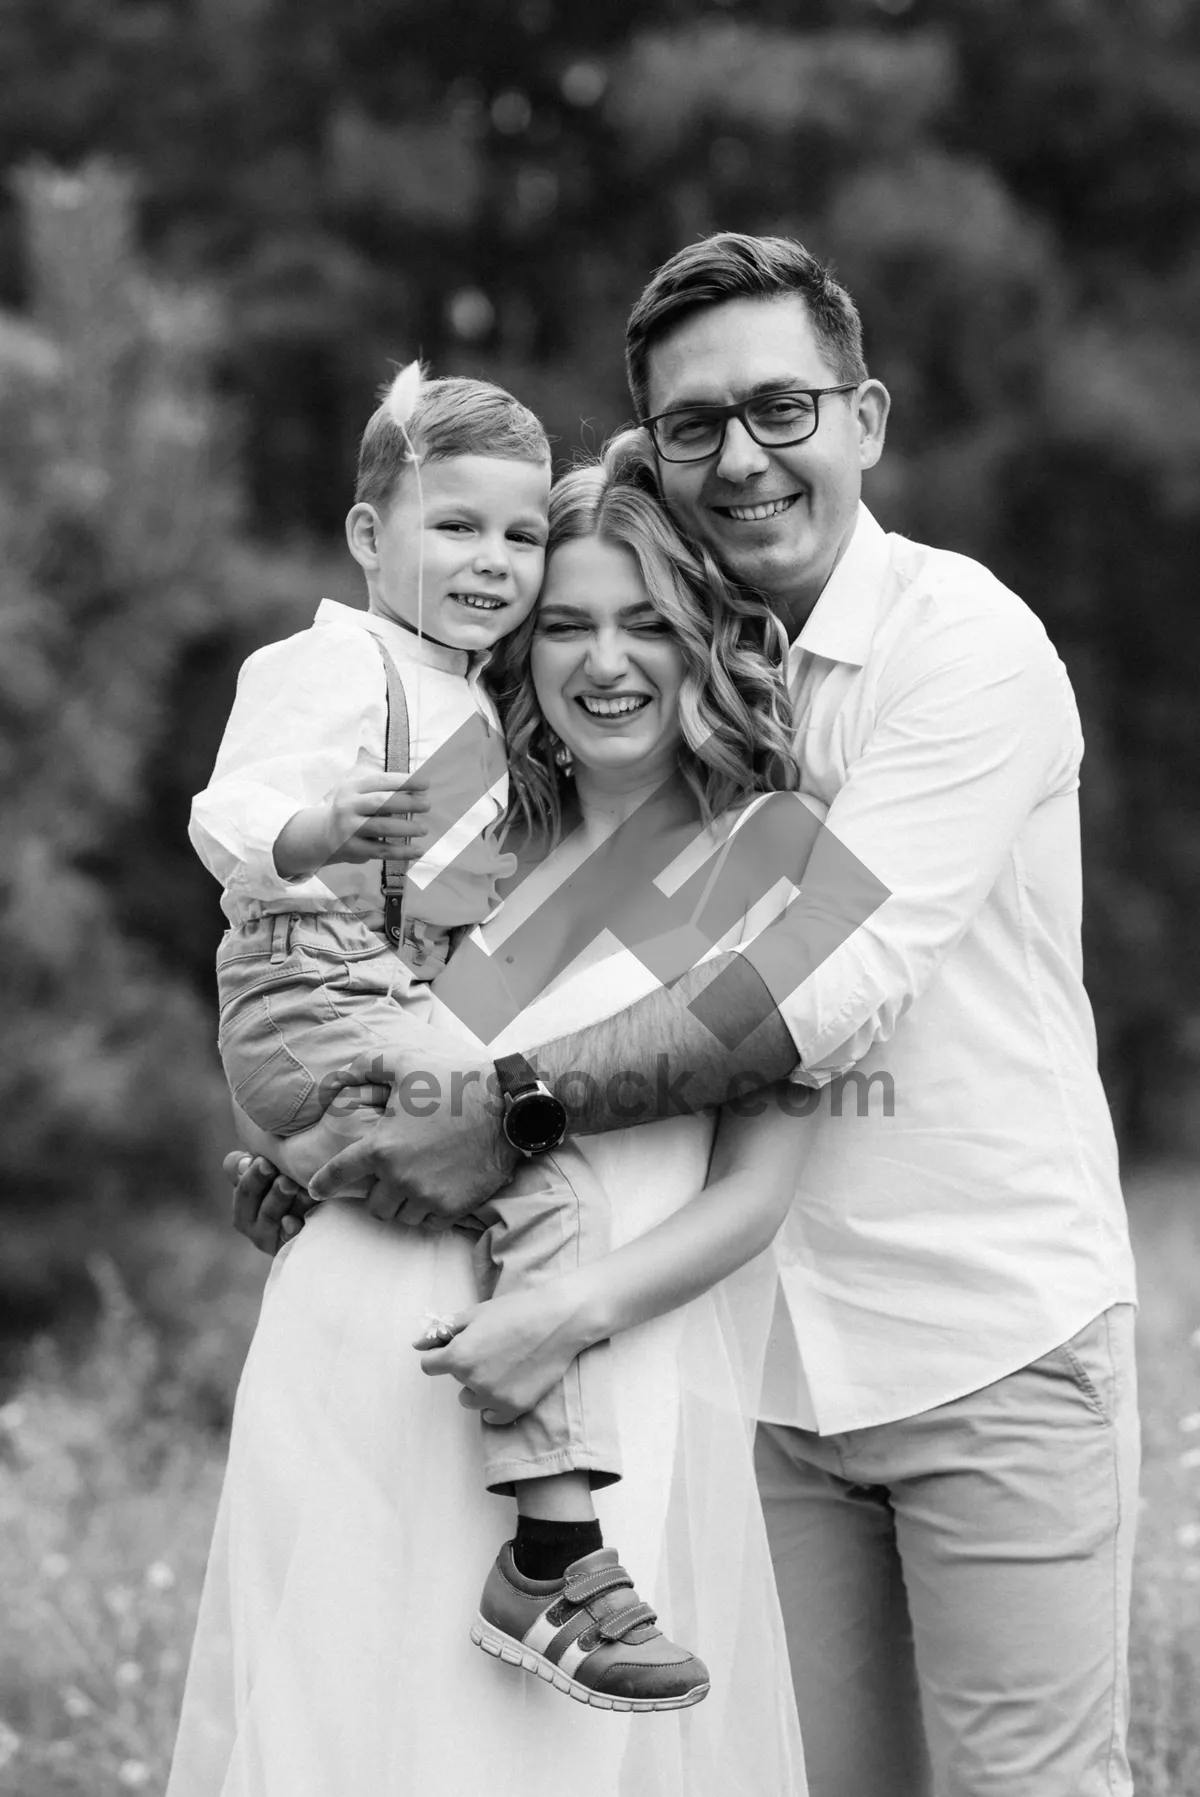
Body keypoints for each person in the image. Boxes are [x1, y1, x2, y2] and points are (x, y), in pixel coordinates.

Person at [280, 234, 1140, 1797]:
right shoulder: (659, 711)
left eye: (782, 409)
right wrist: (331, 1131)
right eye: (694, 426)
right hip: (743, 1380)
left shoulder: (964, 649)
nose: (741, 456)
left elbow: (808, 999)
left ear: (864, 418)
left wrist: (495, 1113)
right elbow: (487, 979)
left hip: (980, 1335)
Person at [168, 436, 815, 1796]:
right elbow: (378, 1057)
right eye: (565, 622)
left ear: (709, 631)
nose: (605, 661)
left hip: (577, 1407)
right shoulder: (481, 829)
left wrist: (559, 1318)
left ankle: (553, 1579)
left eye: (648, 620)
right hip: (353, 1383)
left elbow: (757, 1194)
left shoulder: (779, 855)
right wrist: (314, 1159)